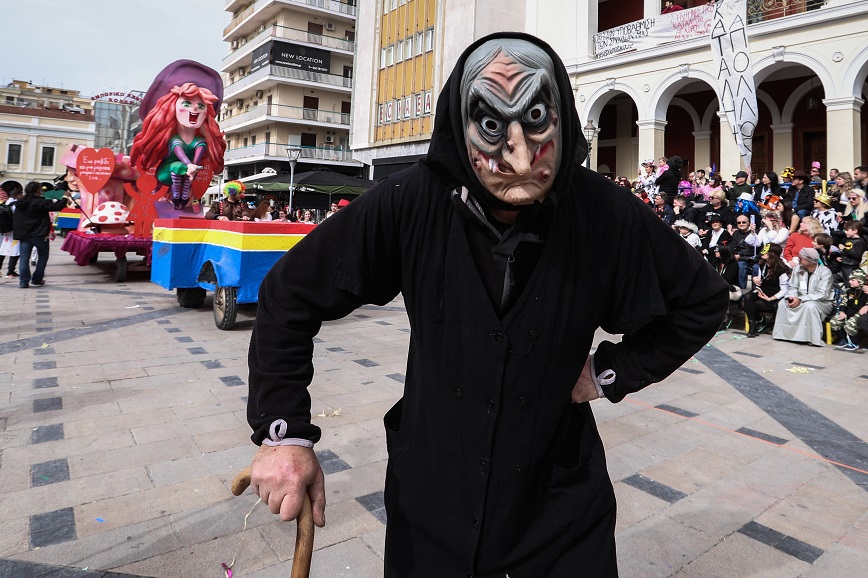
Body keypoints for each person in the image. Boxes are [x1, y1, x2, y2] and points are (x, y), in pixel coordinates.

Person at [245, 33, 728, 577]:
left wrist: (609, 371)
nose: (519, 156)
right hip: (431, 508)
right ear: (460, 125)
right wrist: (283, 433)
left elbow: (702, 300)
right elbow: (290, 293)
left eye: (537, 118)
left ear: (564, 118)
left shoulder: (604, 213)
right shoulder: (410, 202)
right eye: (493, 126)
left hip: (557, 514)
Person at [130, 60, 226, 210]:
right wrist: (189, 166)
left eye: (201, 106)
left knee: (187, 170)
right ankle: (177, 193)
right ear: (171, 107)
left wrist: (193, 168)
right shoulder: (173, 139)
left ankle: (183, 193)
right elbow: (179, 152)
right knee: (179, 165)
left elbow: (198, 157)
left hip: (189, 174)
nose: (195, 109)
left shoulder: (200, 141)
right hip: (166, 173)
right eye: (186, 104)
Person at [772, 247, 834, 346]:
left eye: (801, 258)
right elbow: (792, 287)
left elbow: (822, 294)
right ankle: (784, 335)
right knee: (783, 303)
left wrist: (800, 299)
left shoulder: (825, 272)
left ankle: (811, 338)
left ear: (810, 261)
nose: (798, 259)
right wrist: (792, 298)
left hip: (822, 302)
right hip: (800, 299)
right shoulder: (797, 269)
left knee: (810, 306)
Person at [12, 182, 68, 288]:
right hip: (39, 234)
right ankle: (37, 279)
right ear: (37, 190)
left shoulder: (20, 202)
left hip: (24, 234)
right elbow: (57, 206)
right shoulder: (39, 202)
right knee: (43, 256)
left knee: (24, 258)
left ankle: (23, 282)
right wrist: (65, 197)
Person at [741, 243, 790, 337]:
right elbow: (761, 279)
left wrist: (770, 298)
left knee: (751, 304)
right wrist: (756, 280)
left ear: (772, 254)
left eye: (765, 252)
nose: (762, 253)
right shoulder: (762, 264)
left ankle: (761, 323)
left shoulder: (781, 269)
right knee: (746, 299)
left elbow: (784, 290)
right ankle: (754, 325)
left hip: (774, 295)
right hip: (762, 290)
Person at [830, 268, 867, 350]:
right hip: (848, 312)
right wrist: (842, 312)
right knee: (834, 321)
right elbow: (843, 303)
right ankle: (843, 339)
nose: (850, 281)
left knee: (850, 324)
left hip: (859, 313)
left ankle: (855, 343)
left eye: (853, 280)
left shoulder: (866, 292)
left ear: (860, 281)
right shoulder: (848, 291)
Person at [0, 188, 22, 278]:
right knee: (15, 251)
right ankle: (10, 271)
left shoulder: (6, 203)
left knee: (2, 251)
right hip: (15, 231)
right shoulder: (17, 205)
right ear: (19, 195)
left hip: (5, 231)